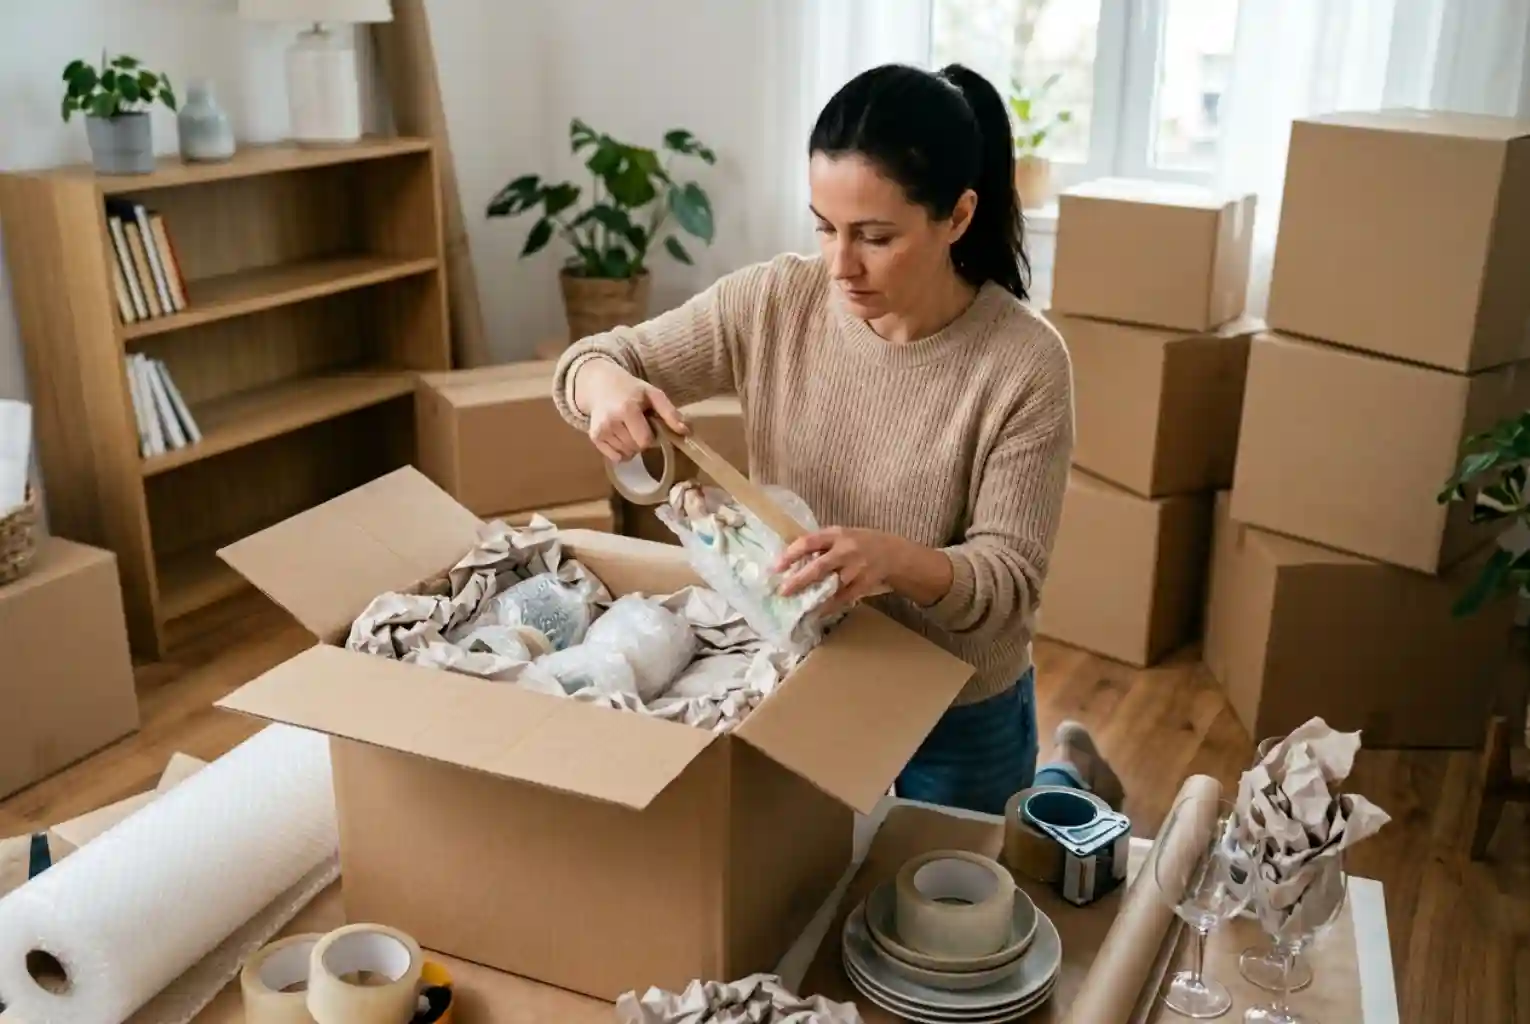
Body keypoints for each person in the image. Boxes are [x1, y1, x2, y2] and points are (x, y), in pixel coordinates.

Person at [550, 62, 1123, 816]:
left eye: (876, 237)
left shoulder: (1025, 363)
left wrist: (895, 561)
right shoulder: (773, 300)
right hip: (806, 670)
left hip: (956, 700)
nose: (840, 265)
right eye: (824, 227)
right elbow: (592, 361)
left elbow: (1010, 584)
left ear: (958, 216)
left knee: (964, 889)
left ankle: (1068, 771)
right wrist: (606, 389)